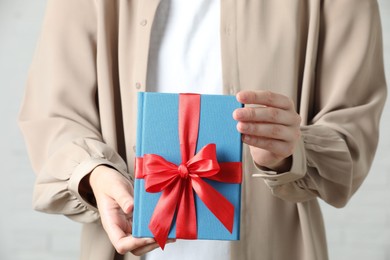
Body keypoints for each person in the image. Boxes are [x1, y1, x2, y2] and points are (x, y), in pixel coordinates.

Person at [19, 0, 387, 259]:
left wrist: (290, 151)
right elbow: (54, 112)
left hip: (277, 247)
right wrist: (95, 173)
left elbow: (350, 130)